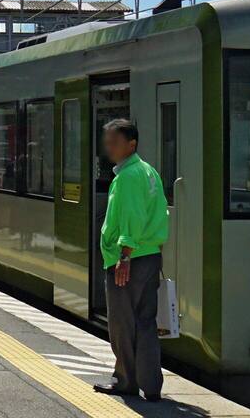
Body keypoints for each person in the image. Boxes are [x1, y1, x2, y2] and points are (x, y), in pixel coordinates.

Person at [92, 118, 169, 402]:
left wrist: (124, 256)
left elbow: (132, 218)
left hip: (129, 260)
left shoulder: (127, 177)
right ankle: (151, 386)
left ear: (131, 143)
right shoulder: (149, 172)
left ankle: (125, 380)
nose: (109, 147)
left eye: (114, 142)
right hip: (149, 256)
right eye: (107, 142)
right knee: (146, 322)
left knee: (122, 324)